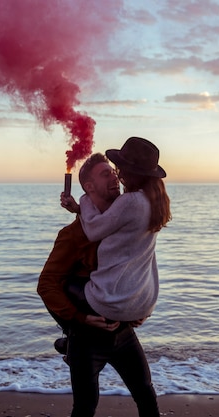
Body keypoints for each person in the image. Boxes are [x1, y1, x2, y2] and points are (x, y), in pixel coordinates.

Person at [37, 152, 160, 417]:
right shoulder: (71, 236)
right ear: (89, 187)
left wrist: (140, 309)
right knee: (85, 407)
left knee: (146, 393)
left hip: (123, 331)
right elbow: (46, 285)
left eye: (114, 172)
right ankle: (70, 340)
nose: (115, 176)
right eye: (106, 173)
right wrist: (78, 319)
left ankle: (67, 343)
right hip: (87, 335)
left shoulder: (126, 224)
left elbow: (140, 267)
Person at [72, 136, 172, 323]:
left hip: (116, 303)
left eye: (118, 168)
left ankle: (74, 338)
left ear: (130, 172)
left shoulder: (130, 202)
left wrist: (84, 200)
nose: (117, 174)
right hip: (142, 301)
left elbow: (93, 231)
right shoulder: (154, 201)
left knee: (65, 284)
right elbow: (114, 221)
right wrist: (79, 211)